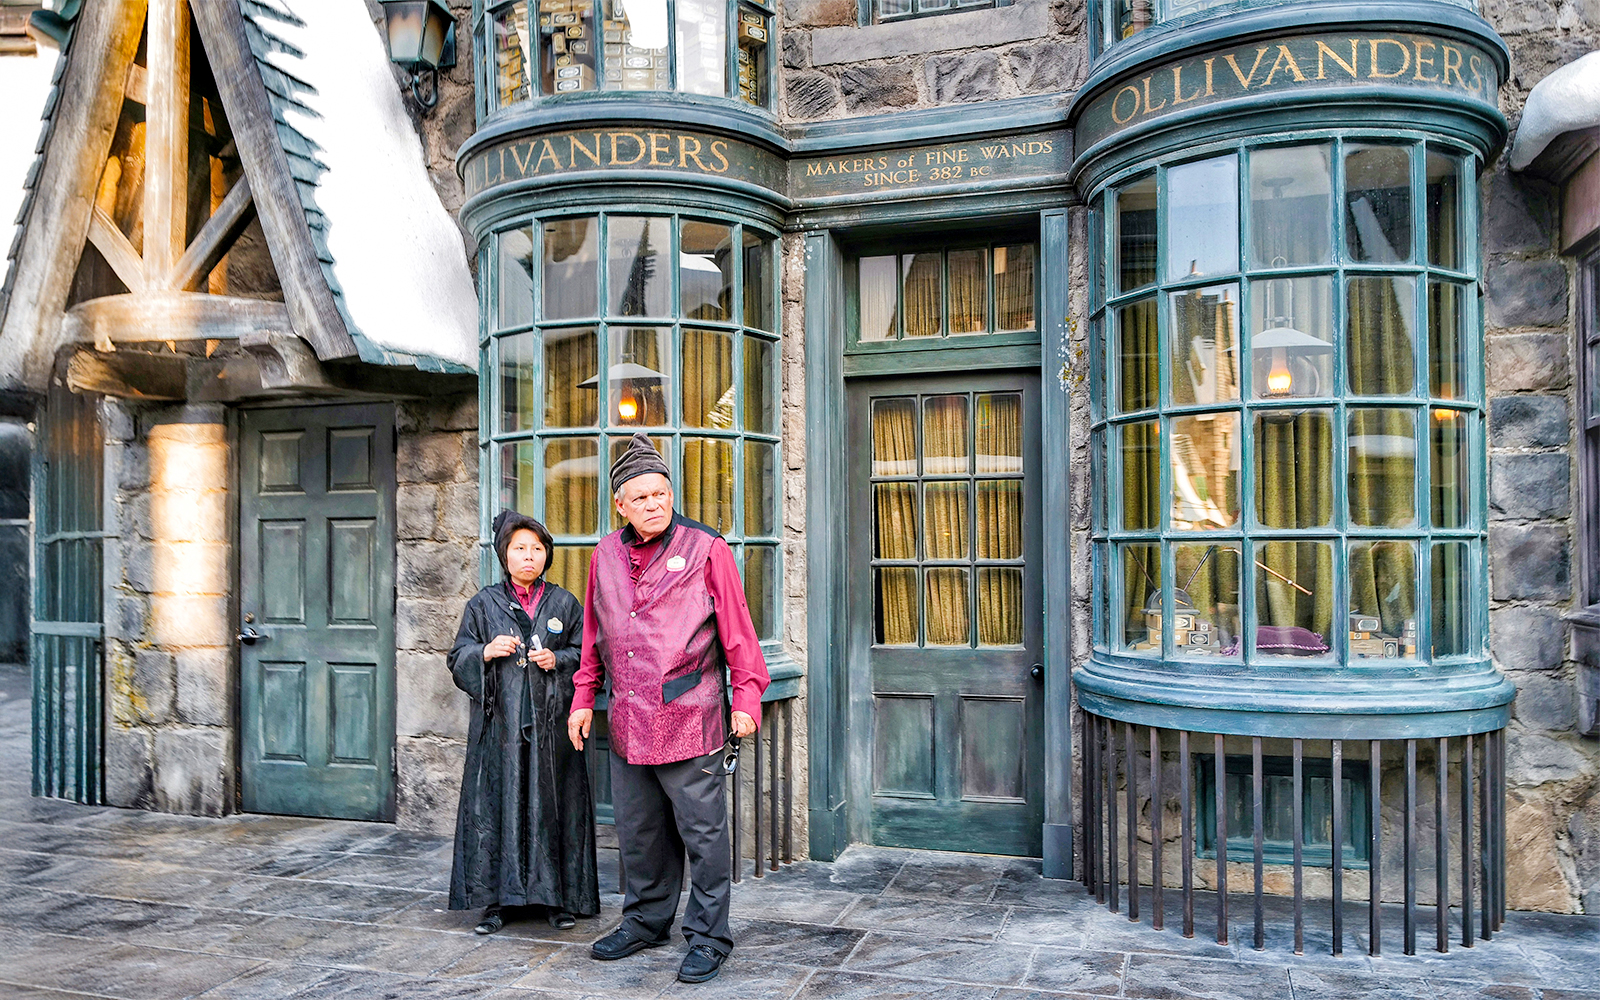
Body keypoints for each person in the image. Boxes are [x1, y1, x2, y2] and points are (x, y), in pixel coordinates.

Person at [568, 433, 770, 984]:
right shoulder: (604, 554)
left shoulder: (707, 547)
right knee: (639, 833)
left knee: (703, 836)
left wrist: (746, 696)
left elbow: (738, 632)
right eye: (641, 497)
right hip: (629, 718)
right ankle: (646, 921)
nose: (655, 504)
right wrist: (584, 697)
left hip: (689, 714)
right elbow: (594, 635)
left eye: (662, 493)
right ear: (620, 504)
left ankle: (708, 936)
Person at [447, 510, 599, 935]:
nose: (528, 556)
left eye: (536, 549)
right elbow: (457, 658)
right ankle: (496, 902)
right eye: (519, 549)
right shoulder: (483, 604)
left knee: (554, 807)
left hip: (553, 730)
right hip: (500, 731)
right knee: (498, 806)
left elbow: (587, 657)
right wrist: (485, 652)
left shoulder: (564, 603)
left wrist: (559, 659)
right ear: (505, 555)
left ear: (546, 556)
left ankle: (558, 899)